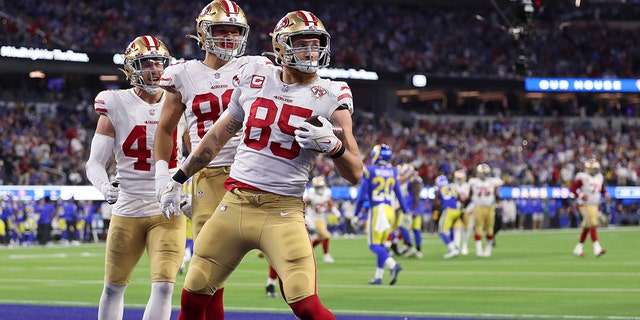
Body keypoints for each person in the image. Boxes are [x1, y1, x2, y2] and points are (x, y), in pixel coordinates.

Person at [158, 10, 362, 320]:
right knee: (193, 298)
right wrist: (178, 177)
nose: (311, 51)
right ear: (281, 46)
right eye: (301, 43)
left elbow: (356, 172)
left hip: (282, 212)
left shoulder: (332, 95)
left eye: (315, 44)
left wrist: (334, 148)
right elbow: (217, 135)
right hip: (234, 204)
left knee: (305, 304)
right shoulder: (257, 76)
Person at [153, 0, 275, 309]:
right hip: (208, 176)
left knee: (288, 263)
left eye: (234, 32)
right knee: (208, 275)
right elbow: (165, 129)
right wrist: (164, 176)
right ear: (203, 33)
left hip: (255, 174)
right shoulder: (183, 73)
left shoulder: (256, 66)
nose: (228, 38)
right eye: (220, 30)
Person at [86, 35, 186, 320]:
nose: (155, 70)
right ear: (131, 67)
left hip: (167, 207)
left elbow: (196, 152)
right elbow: (94, 161)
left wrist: (187, 185)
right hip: (127, 205)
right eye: (146, 63)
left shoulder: (180, 101)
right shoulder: (115, 102)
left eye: (159, 63)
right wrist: (105, 186)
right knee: (113, 288)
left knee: (166, 286)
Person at [353, 144, 407, 285]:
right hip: (390, 210)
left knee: (373, 245)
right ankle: (378, 276)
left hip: (378, 209)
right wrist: (406, 212)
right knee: (382, 245)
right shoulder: (393, 171)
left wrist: (356, 214)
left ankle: (393, 265)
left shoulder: (370, 171)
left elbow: (362, 195)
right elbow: (399, 195)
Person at [570, 158, 609, 258]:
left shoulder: (599, 177)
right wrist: (580, 194)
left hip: (594, 204)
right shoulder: (583, 177)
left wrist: (605, 194)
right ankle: (597, 249)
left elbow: (602, 188)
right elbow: (572, 189)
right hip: (585, 204)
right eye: (594, 168)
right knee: (593, 224)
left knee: (587, 228)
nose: (595, 170)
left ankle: (578, 249)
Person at [467, 163, 503, 258]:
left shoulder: (492, 182)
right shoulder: (473, 182)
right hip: (478, 206)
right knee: (478, 228)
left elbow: (497, 193)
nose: (482, 175)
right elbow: (470, 194)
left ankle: (488, 248)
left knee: (490, 229)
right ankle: (479, 250)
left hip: (490, 207)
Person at [304, 175, 337, 263]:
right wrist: (307, 217)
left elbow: (329, 202)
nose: (320, 188)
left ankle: (305, 252)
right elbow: (303, 206)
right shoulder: (311, 195)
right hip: (314, 218)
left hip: (323, 218)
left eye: (321, 186)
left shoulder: (326, 192)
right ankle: (326, 256)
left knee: (320, 238)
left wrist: (335, 210)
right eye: (318, 187)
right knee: (326, 236)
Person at [433, 175, 463, 259]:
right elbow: (459, 198)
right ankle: (453, 248)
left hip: (448, 210)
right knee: (451, 229)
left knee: (441, 231)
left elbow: (435, 203)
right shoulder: (453, 187)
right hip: (457, 210)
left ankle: (453, 249)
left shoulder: (438, 188)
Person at [451, 169, 472, 255]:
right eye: (458, 178)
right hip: (457, 210)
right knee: (457, 228)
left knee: (467, 229)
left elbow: (471, 198)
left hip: (467, 210)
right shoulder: (452, 186)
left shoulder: (468, 186)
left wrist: (468, 208)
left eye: (461, 178)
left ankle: (464, 245)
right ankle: (456, 246)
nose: (459, 180)